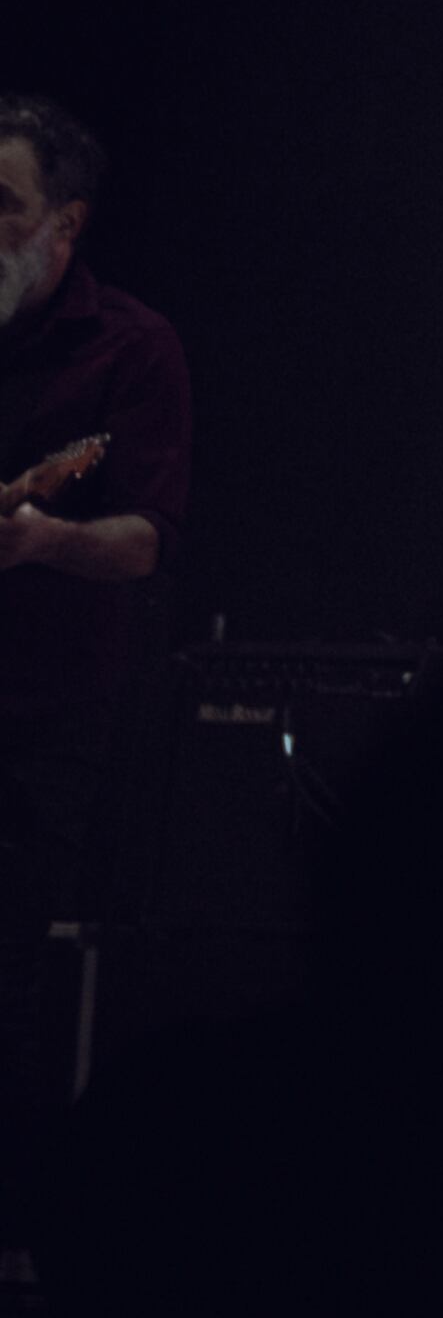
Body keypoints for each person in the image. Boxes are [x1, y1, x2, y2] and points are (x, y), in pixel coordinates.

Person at [0, 95, 187, 896]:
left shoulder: (132, 347)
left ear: (65, 225)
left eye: (4, 204)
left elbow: (145, 540)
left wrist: (42, 538)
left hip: (38, 721)